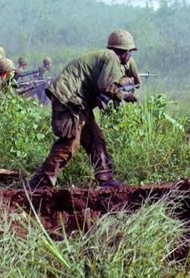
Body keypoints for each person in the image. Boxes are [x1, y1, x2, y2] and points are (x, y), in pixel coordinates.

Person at [27, 29, 139, 190]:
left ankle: (106, 179)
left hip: (77, 102)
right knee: (70, 142)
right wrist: (123, 95)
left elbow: (99, 87)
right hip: (69, 99)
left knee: (95, 138)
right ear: (125, 52)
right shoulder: (111, 58)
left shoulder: (105, 57)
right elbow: (106, 86)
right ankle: (39, 184)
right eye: (130, 52)